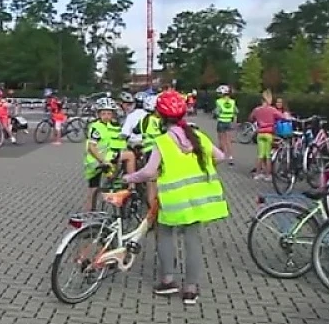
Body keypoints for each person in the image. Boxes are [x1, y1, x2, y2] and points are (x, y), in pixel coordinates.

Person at [124, 90, 228, 305]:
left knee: (165, 236)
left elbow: (149, 172)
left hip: (173, 201)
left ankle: (168, 281)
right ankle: (190, 290)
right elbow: (221, 156)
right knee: (192, 242)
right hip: (199, 200)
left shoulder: (163, 141)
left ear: (161, 117)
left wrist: (129, 177)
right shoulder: (197, 136)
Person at [84, 97, 121, 211]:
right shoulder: (96, 127)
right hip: (95, 162)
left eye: (109, 113)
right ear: (98, 114)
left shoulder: (111, 126)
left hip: (106, 160)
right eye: (103, 113)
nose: (106, 116)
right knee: (93, 189)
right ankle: (89, 213)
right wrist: (102, 160)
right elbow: (91, 147)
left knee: (112, 182)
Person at [249, 90, 289, 181]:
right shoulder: (272, 109)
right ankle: (268, 175)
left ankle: (257, 174)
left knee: (260, 155)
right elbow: (283, 117)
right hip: (269, 134)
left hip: (260, 134)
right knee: (268, 156)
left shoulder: (257, 109)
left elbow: (251, 118)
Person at [214, 85, 237, 165]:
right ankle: (230, 157)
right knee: (228, 141)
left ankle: (221, 156)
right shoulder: (232, 101)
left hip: (221, 122)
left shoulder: (219, 101)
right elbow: (236, 112)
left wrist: (215, 113)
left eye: (219, 93)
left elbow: (217, 112)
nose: (218, 94)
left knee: (221, 140)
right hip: (229, 122)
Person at [140, 94, 163, 162]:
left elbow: (136, 130)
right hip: (157, 149)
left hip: (147, 149)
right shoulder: (159, 121)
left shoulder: (143, 119)